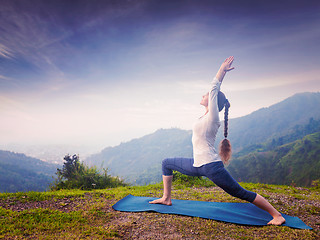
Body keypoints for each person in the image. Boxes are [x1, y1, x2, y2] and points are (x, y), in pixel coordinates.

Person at [149, 56, 286, 226]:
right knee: (166, 163)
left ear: (213, 101)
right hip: (197, 165)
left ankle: (277, 215)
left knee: (239, 192)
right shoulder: (204, 116)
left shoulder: (213, 116)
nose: (204, 95)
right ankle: (166, 198)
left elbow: (214, 88)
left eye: (206, 95)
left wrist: (222, 70)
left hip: (211, 167)